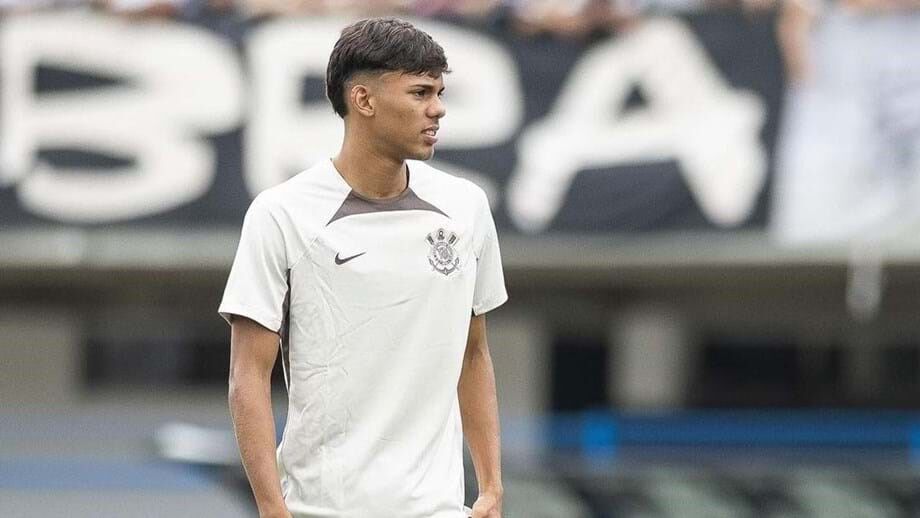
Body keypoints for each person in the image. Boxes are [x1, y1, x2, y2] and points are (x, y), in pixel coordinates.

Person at [219, 17, 507, 518]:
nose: (438, 109)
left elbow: (473, 354)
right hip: (323, 509)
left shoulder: (467, 206)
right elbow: (248, 376)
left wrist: (491, 487)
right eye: (419, 92)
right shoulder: (281, 213)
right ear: (364, 100)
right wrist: (272, 509)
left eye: (439, 93)